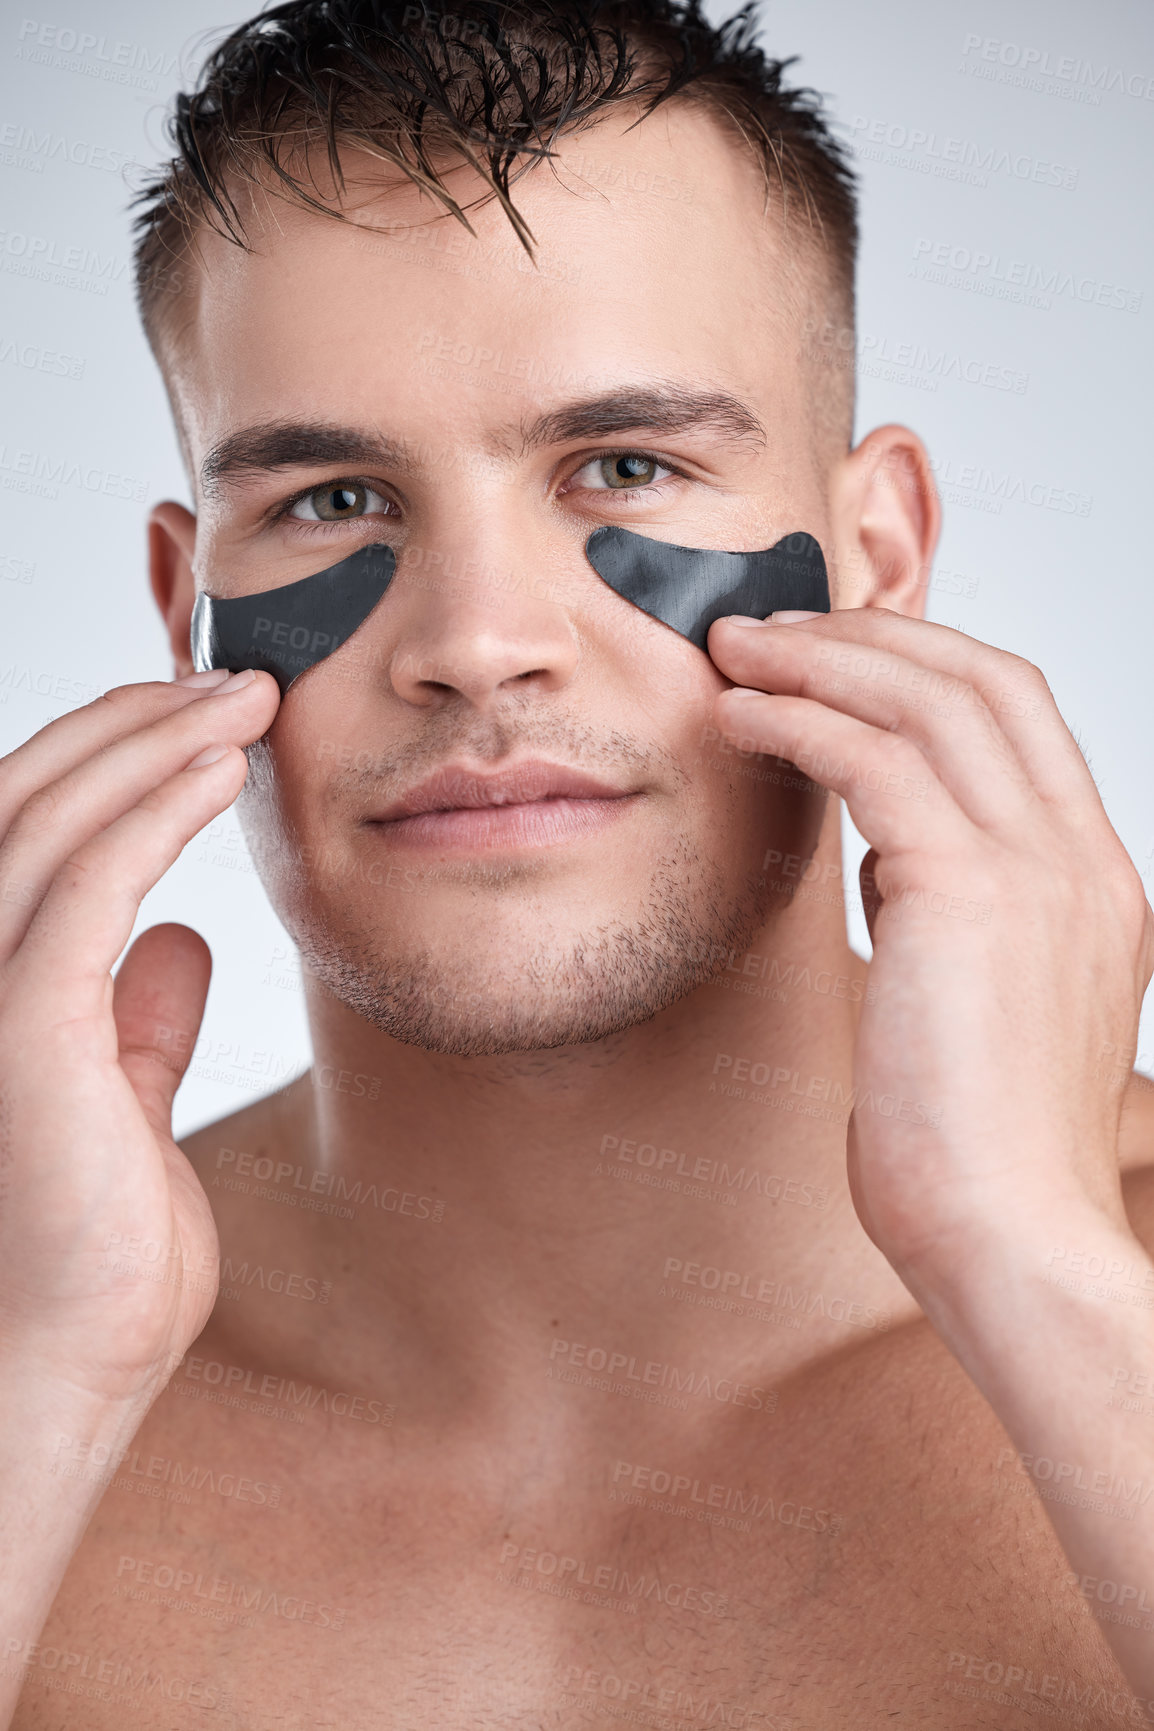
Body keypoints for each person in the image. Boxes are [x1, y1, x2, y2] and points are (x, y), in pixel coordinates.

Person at [2, 1, 1153, 1724]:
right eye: (330, 501)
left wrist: (1039, 1276)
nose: (474, 641)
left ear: (878, 553)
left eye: (625, 466)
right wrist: (40, 1386)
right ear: (189, 614)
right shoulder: (30, 1350)